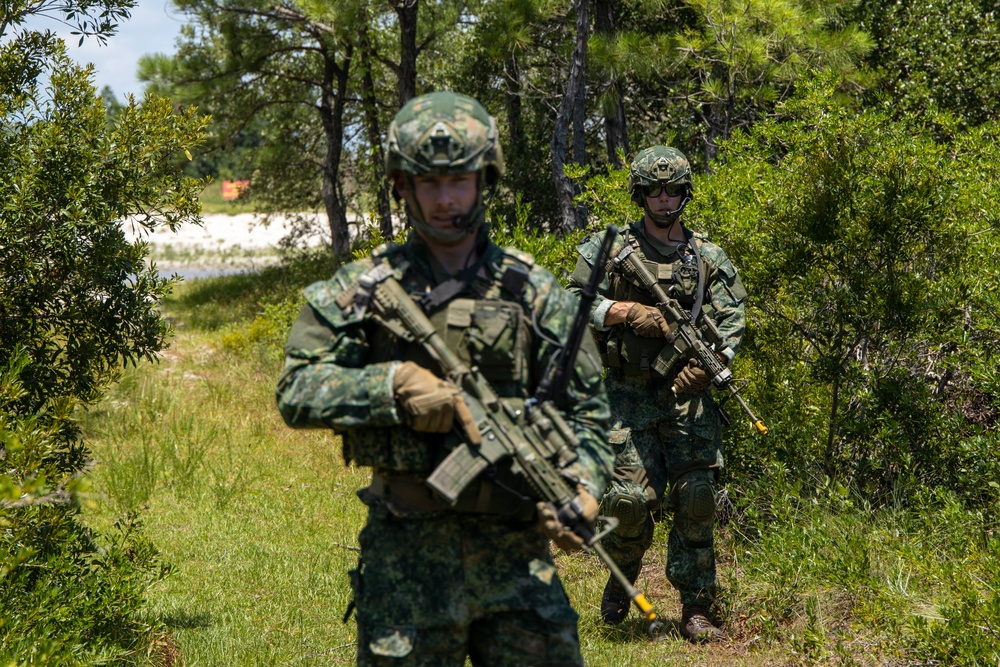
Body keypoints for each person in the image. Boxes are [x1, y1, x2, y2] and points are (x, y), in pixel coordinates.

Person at [276, 91, 613, 666]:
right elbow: (296, 389)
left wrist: (582, 486)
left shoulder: (534, 293)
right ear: (402, 186)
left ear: (485, 179)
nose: (445, 199)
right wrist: (391, 387)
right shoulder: (365, 286)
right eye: (427, 183)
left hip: (517, 555)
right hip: (405, 553)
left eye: (458, 180)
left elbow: (589, 412)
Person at [567, 145, 747, 643]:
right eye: (654, 190)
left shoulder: (706, 256)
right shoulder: (609, 249)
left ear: (684, 192)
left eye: (672, 190)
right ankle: (621, 576)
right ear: (640, 194)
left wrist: (712, 369)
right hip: (627, 397)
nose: (664, 200)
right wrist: (625, 312)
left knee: (697, 500)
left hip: (689, 402)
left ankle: (696, 607)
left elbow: (732, 319)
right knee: (627, 502)